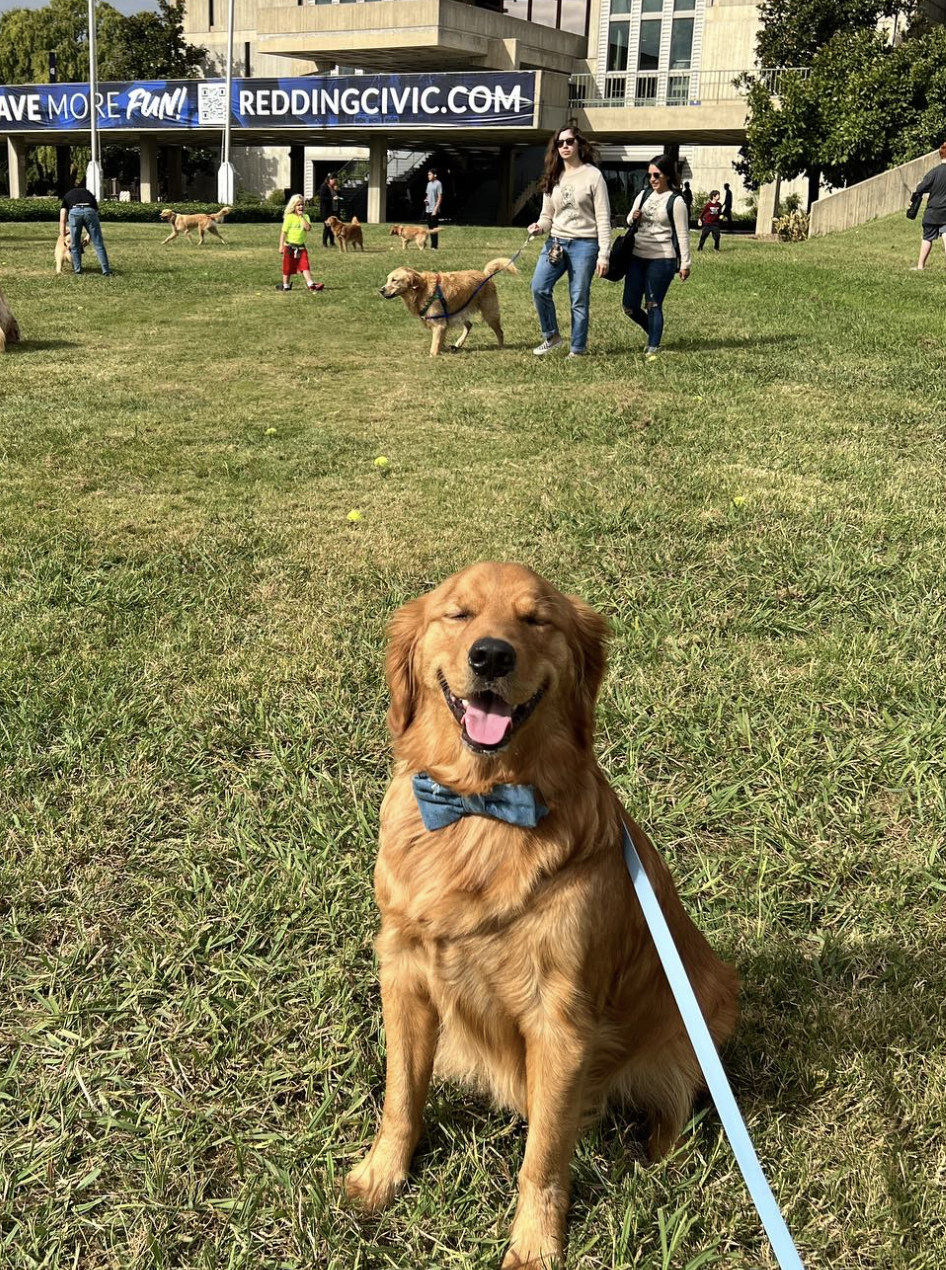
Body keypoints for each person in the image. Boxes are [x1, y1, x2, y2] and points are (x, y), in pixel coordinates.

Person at [528, 125, 611, 358]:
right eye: (560, 142)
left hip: (585, 244)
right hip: (556, 242)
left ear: (578, 144)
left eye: (569, 141)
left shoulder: (593, 175)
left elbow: (603, 218)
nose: (564, 146)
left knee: (578, 297)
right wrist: (538, 227)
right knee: (539, 287)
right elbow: (547, 216)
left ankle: (578, 349)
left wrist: (604, 254)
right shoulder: (554, 176)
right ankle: (551, 336)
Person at [622, 154, 690, 360]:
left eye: (656, 175)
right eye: (649, 175)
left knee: (653, 303)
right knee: (629, 305)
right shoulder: (643, 195)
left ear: (667, 175)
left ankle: (653, 346)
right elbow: (628, 220)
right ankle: (653, 331)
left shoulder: (676, 201)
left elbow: (683, 233)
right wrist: (632, 217)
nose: (652, 179)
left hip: (662, 258)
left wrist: (685, 263)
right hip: (636, 256)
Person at [59, 178, 112, 276]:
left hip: (74, 212)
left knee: (75, 244)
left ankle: (78, 270)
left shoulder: (67, 195)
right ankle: (106, 270)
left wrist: (63, 236)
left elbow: (62, 220)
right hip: (90, 211)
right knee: (98, 244)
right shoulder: (89, 194)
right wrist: (89, 236)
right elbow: (94, 213)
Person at [909, 141, 946, 271]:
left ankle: (920, 266)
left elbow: (920, 188)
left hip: (932, 211)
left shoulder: (933, 172)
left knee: (927, 238)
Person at [277, 193, 324, 293]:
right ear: (293, 206)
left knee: (304, 265)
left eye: (302, 204)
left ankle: (310, 283)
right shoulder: (289, 217)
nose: (301, 206)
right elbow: (283, 232)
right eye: (298, 205)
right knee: (287, 267)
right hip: (289, 246)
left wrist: (301, 217)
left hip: (301, 247)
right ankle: (286, 285)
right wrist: (281, 246)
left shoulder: (306, 216)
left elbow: (308, 228)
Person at [424, 168, 443, 249]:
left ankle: (434, 246)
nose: (428, 176)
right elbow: (428, 195)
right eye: (428, 174)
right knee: (430, 228)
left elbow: (440, 197)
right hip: (428, 208)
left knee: (434, 228)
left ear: (435, 175)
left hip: (434, 209)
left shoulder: (438, 184)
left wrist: (435, 209)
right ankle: (431, 244)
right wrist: (426, 199)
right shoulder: (428, 184)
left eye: (430, 174)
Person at [319, 173, 337, 248]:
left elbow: (336, 195)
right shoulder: (324, 186)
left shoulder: (333, 187)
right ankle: (324, 243)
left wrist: (337, 190)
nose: (335, 182)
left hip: (332, 210)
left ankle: (332, 242)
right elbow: (322, 198)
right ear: (330, 179)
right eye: (334, 180)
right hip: (325, 211)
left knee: (332, 226)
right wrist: (332, 199)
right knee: (327, 227)